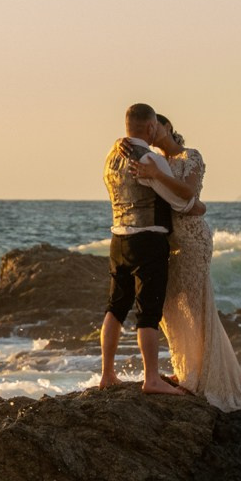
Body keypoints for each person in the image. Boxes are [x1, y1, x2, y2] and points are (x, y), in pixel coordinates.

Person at [132, 115, 241, 415]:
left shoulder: (189, 155)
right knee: (170, 306)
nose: (154, 133)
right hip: (170, 241)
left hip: (193, 238)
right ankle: (186, 368)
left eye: (158, 127)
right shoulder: (155, 160)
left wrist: (159, 175)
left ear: (168, 128)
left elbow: (188, 193)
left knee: (196, 304)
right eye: (150, 130)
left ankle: (200, 377)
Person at [100, 103, 201, 393]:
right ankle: (152, 379)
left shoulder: (111, 154)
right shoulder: (150, 159)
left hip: (118, 238)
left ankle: (107, 373)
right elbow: (179, 201)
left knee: (115, 307)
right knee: (148, 312)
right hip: (149, 238)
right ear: (151, 127)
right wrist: (198, 206)